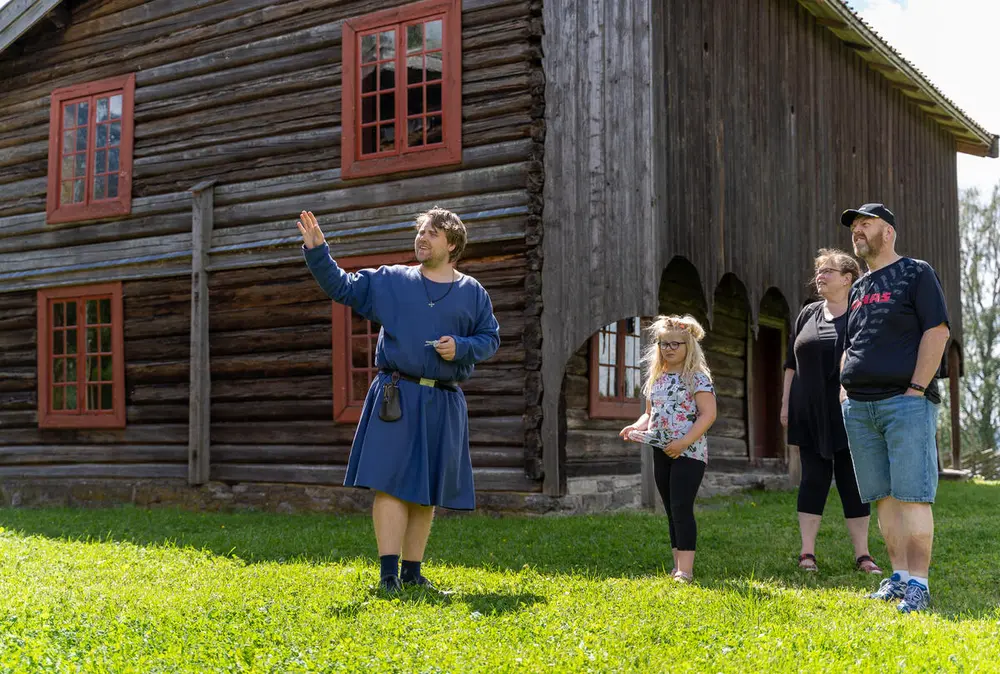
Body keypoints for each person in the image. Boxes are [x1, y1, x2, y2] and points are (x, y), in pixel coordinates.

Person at [297, 207, 500, 593]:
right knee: (390, 484)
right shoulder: (392, 281)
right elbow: (342, 287)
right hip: (397, 393)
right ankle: (388, 576)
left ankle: (412, 572)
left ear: (452, 244)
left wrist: (461, 346)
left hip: (443, 399)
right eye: (420, 231)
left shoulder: (473, 292)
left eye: (432, 233)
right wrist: (318, 251)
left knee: (426, 490)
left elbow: (490, 339)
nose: (422, 238)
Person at [838, 203, 950, 614]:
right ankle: (899, 577)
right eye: (854, 227)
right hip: (860, 408)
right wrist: (843, 393)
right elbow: (849, 345)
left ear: (888, 232)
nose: (857, 232)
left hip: (905, 403)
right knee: (883, 498)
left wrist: (916, 389)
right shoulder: (858, 288)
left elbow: (936, 331)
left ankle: (919, 584)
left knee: (913, 496)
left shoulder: (916, 272)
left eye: (865, 225)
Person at [781, 249, 881, 575]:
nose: (820, 276)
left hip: (849, 411)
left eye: (828, 271)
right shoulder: (807, 313)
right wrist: (785, 404)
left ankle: (863, 555)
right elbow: (791, 364)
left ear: (848, 278)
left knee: (853, 481)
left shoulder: (860, 314)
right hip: (808, 411)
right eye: (819, 271)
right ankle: (806, 552)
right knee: (812, 479)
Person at [620, 315, 718, 583]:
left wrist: (684, 442)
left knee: (681, 506)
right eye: (664, 344)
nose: (669, 349)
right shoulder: (657, 379)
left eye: (676, 344)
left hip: (689, 452)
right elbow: (650, 415)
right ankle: (677, 566)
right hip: (661, 450)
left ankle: (686, 570)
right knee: (670, 508)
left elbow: (708, 415)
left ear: (688, 347)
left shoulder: (696, 378)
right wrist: (635, 427)